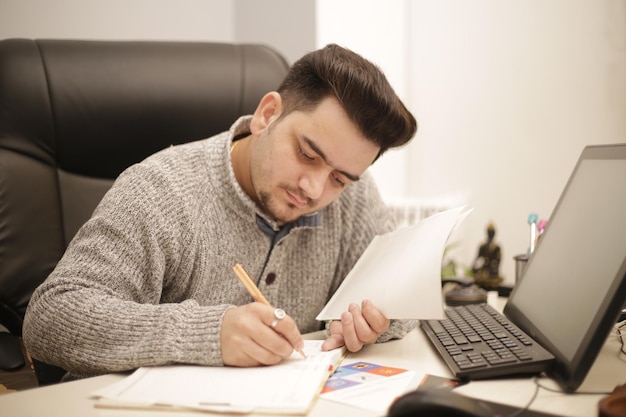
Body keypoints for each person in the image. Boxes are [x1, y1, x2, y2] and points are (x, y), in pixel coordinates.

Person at [23, 44, 418, 380]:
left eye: (339, 178)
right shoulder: (161, 190)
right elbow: (49, 319)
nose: (314, 188)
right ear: (267, 115)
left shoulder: (353, 195)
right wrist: (208, 333)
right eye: (307, 154)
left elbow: (406, 298)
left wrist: (376, 321)